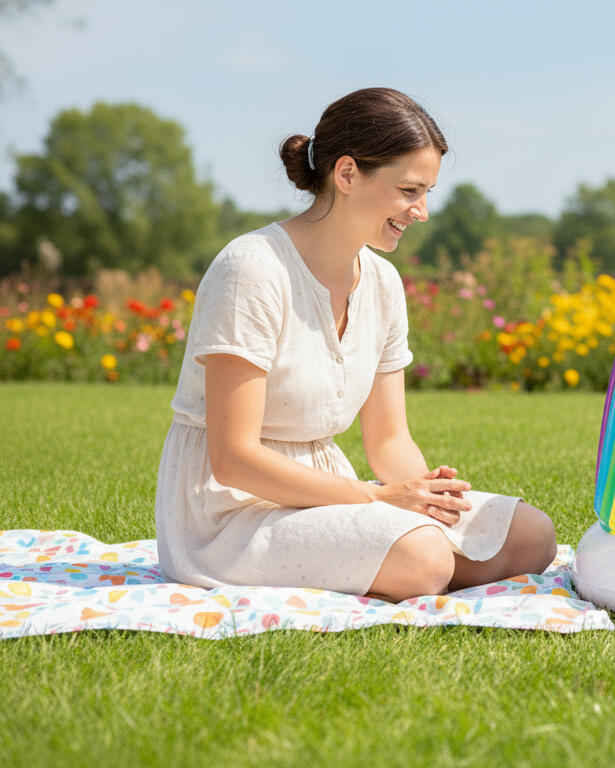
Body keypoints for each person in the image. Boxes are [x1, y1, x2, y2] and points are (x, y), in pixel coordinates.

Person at [155, 87, 556, 603]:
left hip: (329, 496)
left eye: (427, 192)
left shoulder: (384, 284)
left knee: (530, 534)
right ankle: (406, 563)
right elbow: (234, 458)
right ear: (346, 175)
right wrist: (378, 498)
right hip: (229, 513)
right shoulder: (251, 268)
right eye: (410, 190)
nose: (422, 211)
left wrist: (426, 498)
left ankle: (398, 558)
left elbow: (388, 440)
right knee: (425, 558)